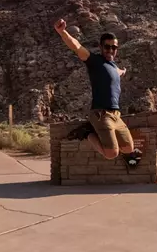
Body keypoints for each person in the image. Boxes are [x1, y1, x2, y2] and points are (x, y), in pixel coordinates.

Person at [54, 19, 141, 167]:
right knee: (111, 154)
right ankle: (87, 133)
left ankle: (97, 133)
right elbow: (77, 46)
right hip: (101, 114)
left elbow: (118, 72)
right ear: (100, 47)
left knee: (128, 148)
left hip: (116, 115)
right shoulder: (94, 61)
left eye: (114, 47)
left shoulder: (113, 67)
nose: (111, 50)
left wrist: (123, 71)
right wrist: (63, 32)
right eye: (107, 47)